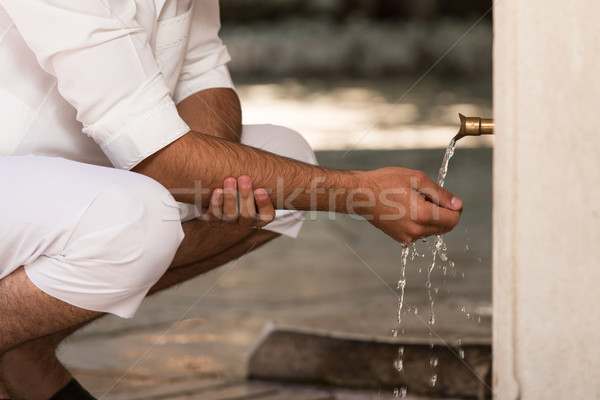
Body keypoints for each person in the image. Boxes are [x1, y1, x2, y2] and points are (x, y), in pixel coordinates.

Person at [0, 0, 463, 399]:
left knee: (285, 156)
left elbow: (202, 77)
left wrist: (214, 188)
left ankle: (21, 345)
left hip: (65, 180)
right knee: (137, 217)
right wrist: (361, 193)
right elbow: (158, 155)